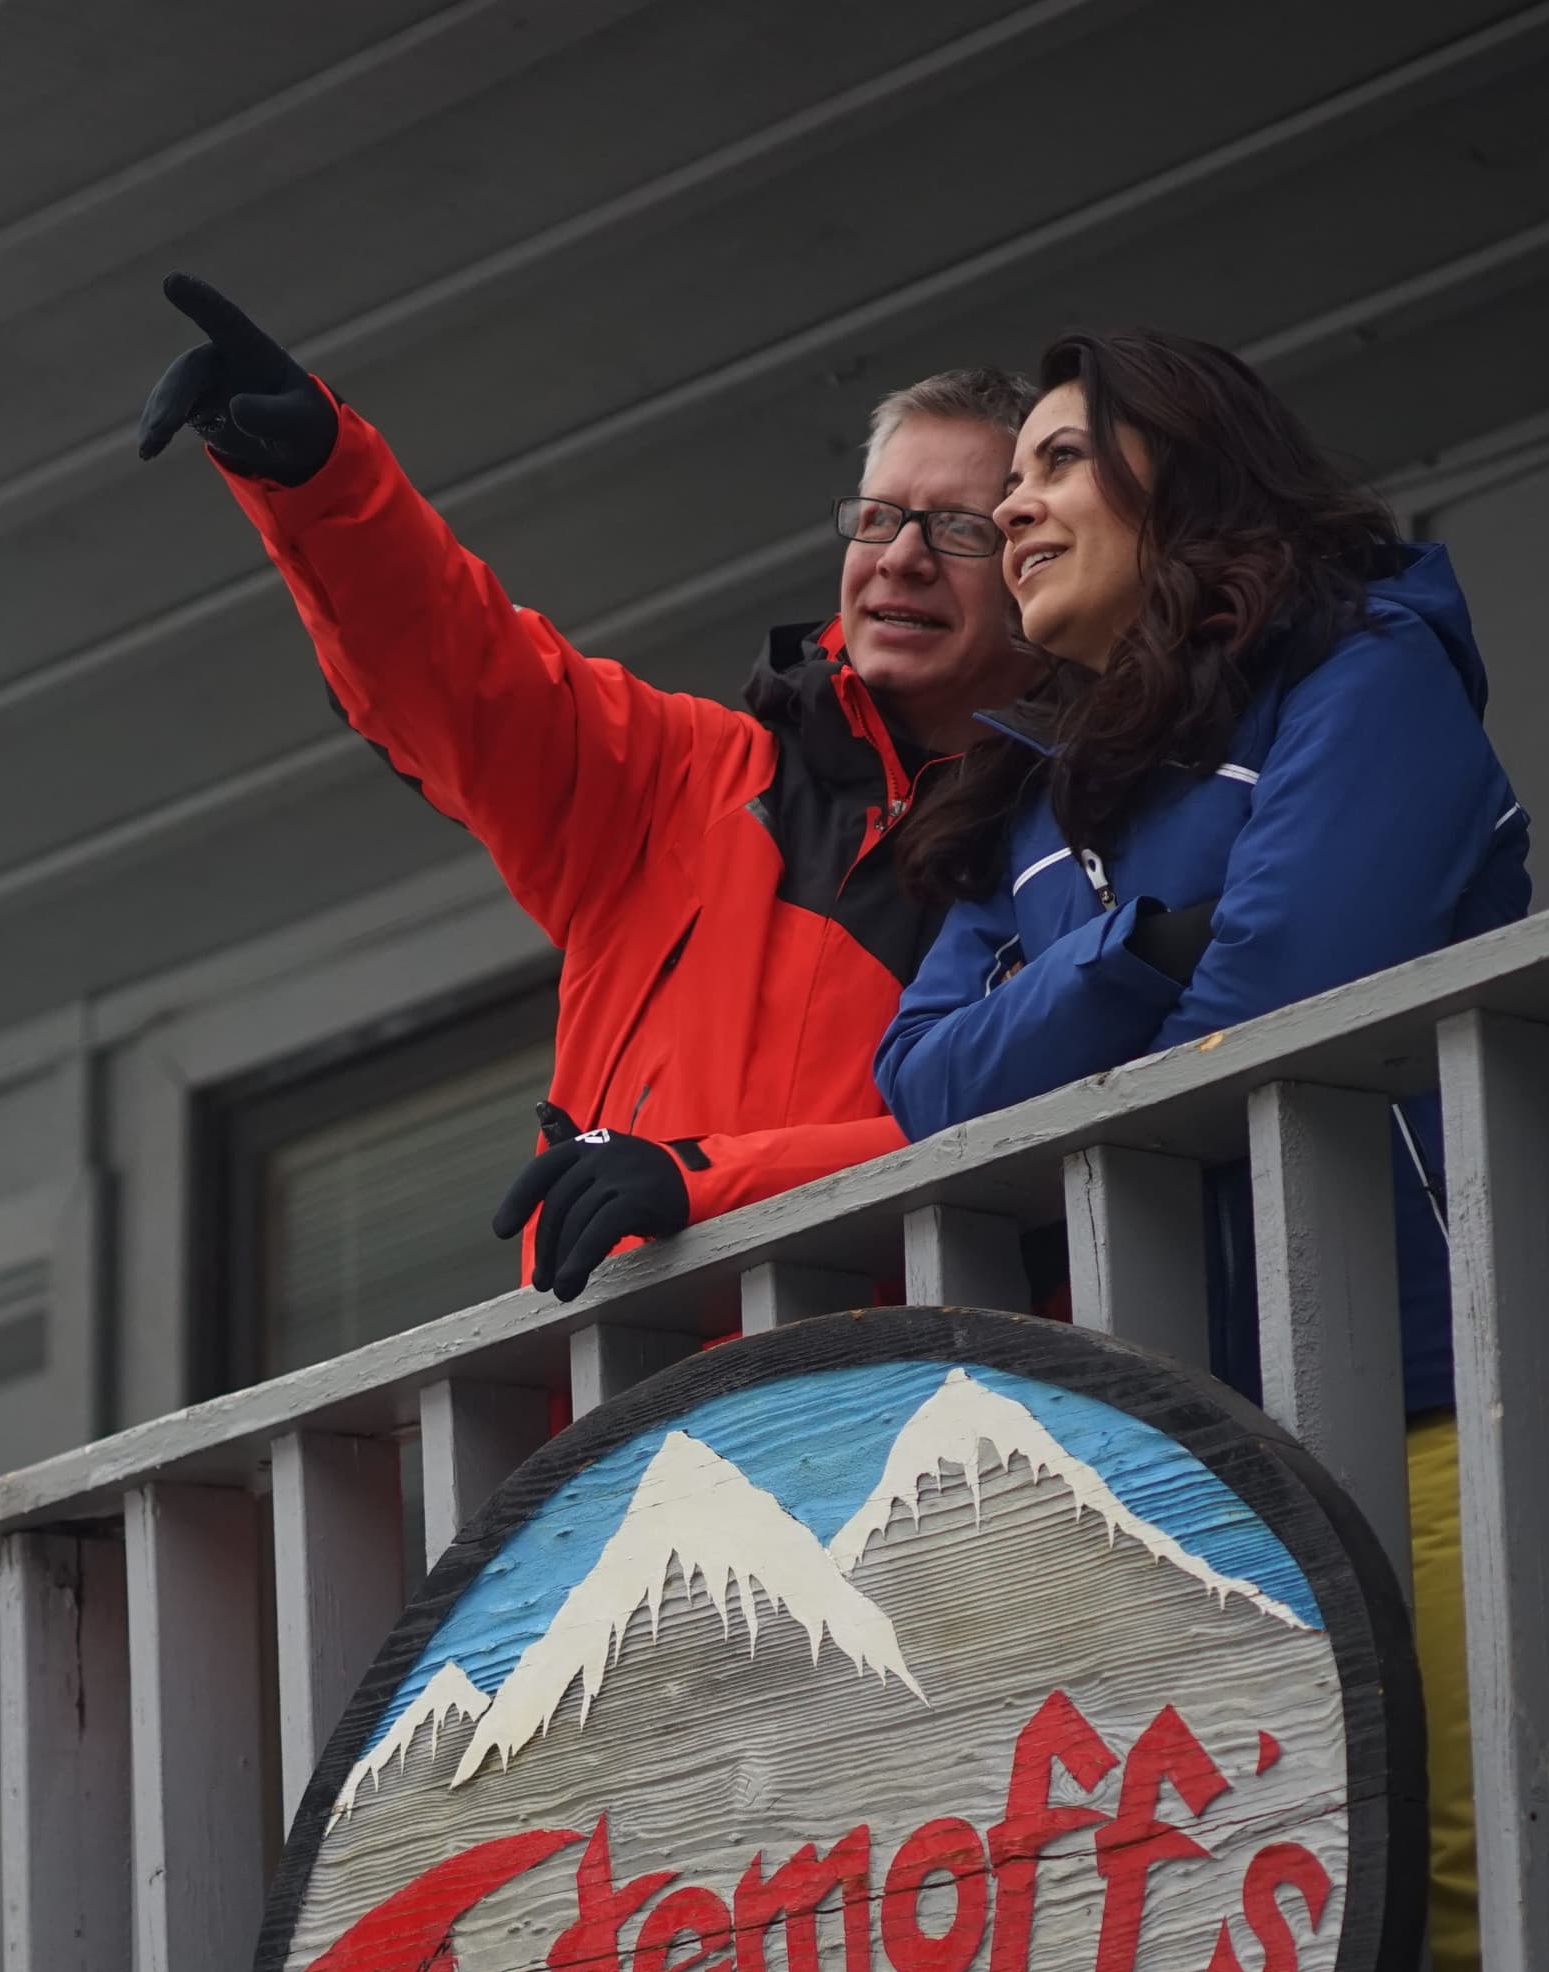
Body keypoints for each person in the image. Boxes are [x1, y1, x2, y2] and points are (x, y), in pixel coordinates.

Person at [871, 330, 1549, 1972]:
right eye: (1018, 474)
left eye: (1064, 459)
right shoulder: (1026, 806)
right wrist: (1141, 950)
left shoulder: (1368, 665)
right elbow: (926, 1091)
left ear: (1195, 481)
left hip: (1455, 1389)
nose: (1015, 501)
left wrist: (1124, 986)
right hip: (1198, 1478)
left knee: (1485, 1951)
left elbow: (1285, 990)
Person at [137, 273, 1035, 1297]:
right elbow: (461, 669)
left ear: (1037, 561)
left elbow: (1023, 1137)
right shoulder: (678, 783)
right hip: (630, 1421)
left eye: (959, 530)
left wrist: (708, 1182)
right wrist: (315, 474)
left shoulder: (1075, 839)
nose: (902, 559)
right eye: (877, 519)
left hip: (937, 1422)